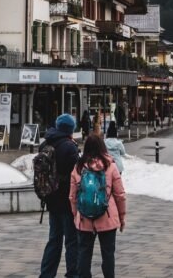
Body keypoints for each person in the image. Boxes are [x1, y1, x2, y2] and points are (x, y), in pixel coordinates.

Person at [70, 134, 127, 278]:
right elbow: (120, 195)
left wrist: (76, 214)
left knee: (84, 254)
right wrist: (122, 216)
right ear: (103, 147)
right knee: (108, 255)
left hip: (84, 219)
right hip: (107, 218)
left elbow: (73, 197)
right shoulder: (110, 166)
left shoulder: (78, 168)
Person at [39, 114, 81, 278]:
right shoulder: (69, 147)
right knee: (71, 241)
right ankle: (73, 274)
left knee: (54, 239)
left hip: (50, 198)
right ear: (70, 129)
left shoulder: (45, 143)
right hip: (67, 200)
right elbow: (76, 173)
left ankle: (47, 274)